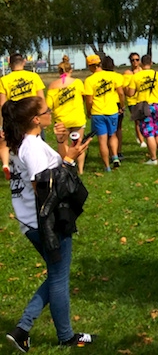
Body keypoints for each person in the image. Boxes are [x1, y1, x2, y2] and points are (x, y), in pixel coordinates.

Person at [3, 96, 94, 350]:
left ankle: (22, 329)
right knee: (58, 278)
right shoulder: (31, 147)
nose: (50, 113)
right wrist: (69, 161)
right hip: (45, 223)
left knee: (56, 276)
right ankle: (63, 336)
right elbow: (42, 187)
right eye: (46, 111)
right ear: (35, 119)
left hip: (34, 221)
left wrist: (64, 145)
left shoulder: (29, 143)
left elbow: (52, 169)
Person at [0, 53, 46, 177]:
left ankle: (17, 170)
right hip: (32, 116)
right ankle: (37, 169)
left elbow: (2, 105)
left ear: (10, 64)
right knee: (36, 144)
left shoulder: (4, 80)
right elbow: (41, 99)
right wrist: (44, 116)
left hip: (15, 118)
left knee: (16, 146)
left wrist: (2, 125)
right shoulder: (33, 76)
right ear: (24, 62)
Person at [83, 54, 125, 172]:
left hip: (98, 112)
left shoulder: (89, 80)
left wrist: (89, 111)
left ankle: (107, 166)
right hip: (112, 111)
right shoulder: (113, 76)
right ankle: (115, 156)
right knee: (113, 135)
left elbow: (89, 100)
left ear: (90, 66)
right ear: (100, 63)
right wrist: (122, 106)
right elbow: (121, 93)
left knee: (102, 140)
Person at [46, 62, 88, 174]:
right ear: (71, 70)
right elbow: (83, 97)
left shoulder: (52, 86)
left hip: (61, 120)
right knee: (78, 144)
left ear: (59, 71)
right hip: (77, 118)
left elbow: (48, 106)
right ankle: (80, 170)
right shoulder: (78, 83)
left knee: (63, 145)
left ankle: (66, 169)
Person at [127, 55, 158, 165]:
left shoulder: (136, 76)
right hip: (157, 105)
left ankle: (153, 158)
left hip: (145, 106)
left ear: (140, 63)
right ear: (151, 63)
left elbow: (130, 93)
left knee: (149, 132)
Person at [124, 52, 146, 148]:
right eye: (133, 60)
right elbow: (125, 87)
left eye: (137, 59)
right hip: (132, 100)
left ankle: (142, 135)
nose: (135, 62)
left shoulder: (143, 71)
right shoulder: (127, 73)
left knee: (144, 120)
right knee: (137, 120)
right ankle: (142, 141)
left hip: (143, 98)